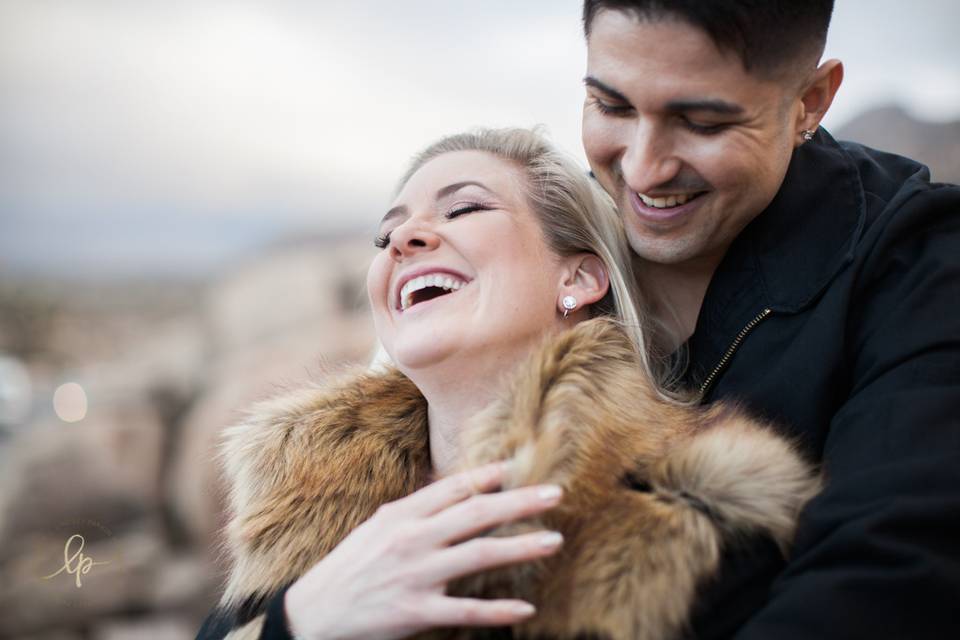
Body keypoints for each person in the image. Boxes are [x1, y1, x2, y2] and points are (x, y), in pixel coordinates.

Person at [195, 128, 820, 640]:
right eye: (385, 236)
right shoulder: (301, 506)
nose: (403, 242)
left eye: (464, 208)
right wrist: (299, 622)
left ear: (577, 278)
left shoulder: (691, 512)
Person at [579, 1, 960, 638]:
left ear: (810, 101)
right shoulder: (544, 232)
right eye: (612, 107)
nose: (643, 170)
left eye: (700, 122)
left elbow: (889, 579)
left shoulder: (921, 262)